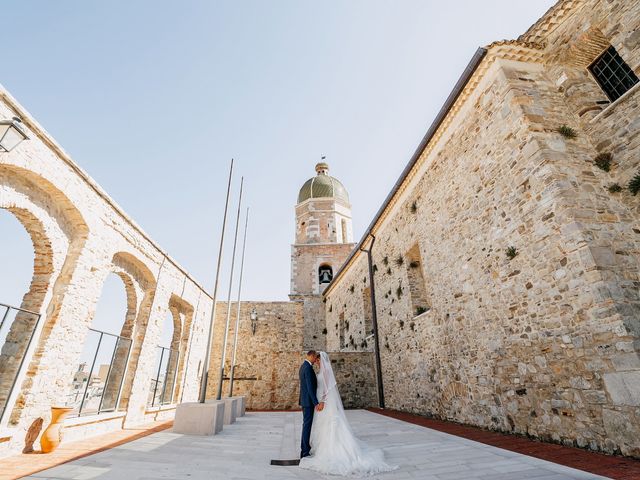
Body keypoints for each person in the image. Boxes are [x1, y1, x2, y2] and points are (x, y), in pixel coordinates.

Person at [299, 351, 397, 476]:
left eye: (318, 361)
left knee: (329, 425)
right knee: (321, 426)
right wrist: (317, 401)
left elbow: (327, 388)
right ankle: (310, 449)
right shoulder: (312, 369)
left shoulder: (325, 371)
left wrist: (321, 401)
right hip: (316, 402)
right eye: (316, 360)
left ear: (321, 360)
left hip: (324, 403)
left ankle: (322, 450)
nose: (317, 362)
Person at [299, 350, 323, 458]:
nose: (315, 360)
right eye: (315, 358)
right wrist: (316, 403)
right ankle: (304, 451)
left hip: (305, 401)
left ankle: (305, 448)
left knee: (306, 425)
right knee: (307, 426)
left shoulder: (303, 366)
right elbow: (309, 388)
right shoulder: (308, 368)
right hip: (308, 402)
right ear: (312, 356)